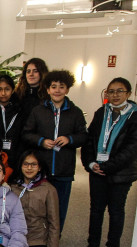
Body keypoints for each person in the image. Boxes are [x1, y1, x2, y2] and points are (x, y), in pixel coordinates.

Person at [80, 77, 137, 247]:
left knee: (116, 210)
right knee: (96, 209)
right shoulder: (102, 112)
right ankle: (93, 244)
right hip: (97, 170)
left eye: (120, 91)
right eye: (111, 91)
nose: (115, 95)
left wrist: (107, 167)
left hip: (120, 173)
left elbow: (132, 149)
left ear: (128, 93)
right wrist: (90, 163)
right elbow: (89, 140)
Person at [21, 70, 87, 231]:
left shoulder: (75, 112)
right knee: (38, 208)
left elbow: (84, 136)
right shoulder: (38, 111)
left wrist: (69, 139)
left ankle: (55, 242)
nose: (57, 90)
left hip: (64, 170)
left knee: (59, 210)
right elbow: (26, 134)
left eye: (61, 87)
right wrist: (41, 141)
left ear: (67, 89)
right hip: (41, 168)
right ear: (48, 89)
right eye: (54, 86)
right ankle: (38, 241)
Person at [9, 150, 60, 247]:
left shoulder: (48, 189)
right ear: (20, 166)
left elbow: (54, 223)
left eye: (33, 164)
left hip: (37, 237)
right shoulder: (12, 187)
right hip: (15, 236)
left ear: (39, 167)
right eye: (25, 164)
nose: (29, 168)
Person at [15, 58, 49, 122]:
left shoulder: (48, 96)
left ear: (42, 73)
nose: (31, 74)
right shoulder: (18, 94)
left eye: (35, 71)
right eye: (28, 71)